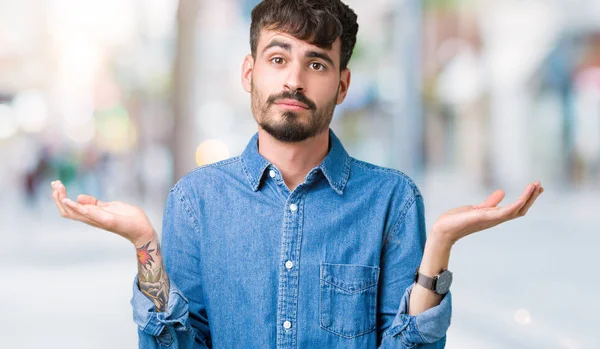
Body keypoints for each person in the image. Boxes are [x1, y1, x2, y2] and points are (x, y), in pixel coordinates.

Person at [50, 0, 544, 348]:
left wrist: (437, 250)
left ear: (343, 84)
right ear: (250, 73)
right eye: (279, 58)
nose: (294, 79)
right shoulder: (194, 200)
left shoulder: (392, 201)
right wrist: (144, 243)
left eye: (317, 63)